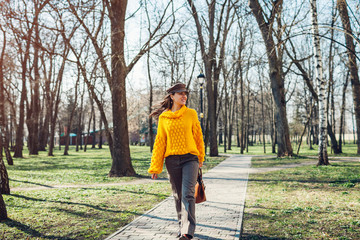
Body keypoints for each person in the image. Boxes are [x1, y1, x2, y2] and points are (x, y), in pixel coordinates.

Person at [148, 82, 205, 240]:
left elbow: (198, 137)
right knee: (178, 195)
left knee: (187, 194)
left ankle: (187, 231)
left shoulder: (191, 114)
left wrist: (200, 157)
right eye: (180, 93)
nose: (184, 96)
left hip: (190, 159)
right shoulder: (164, 118)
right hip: (171, 161)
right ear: (172, 96)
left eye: (185, 93)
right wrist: (155, 167)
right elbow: (160, 142)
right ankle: (182, 225)